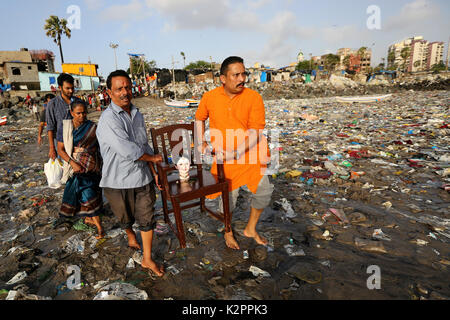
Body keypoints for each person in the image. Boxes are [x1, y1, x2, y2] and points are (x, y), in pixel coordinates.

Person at [195, 56, 274, 250]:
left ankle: (250, 229)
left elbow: (256, 132)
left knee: (263, 193)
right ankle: (228, 230)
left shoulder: (253, 97)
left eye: (244, 73)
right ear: (223, 78)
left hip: (251, 154)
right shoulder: (210, 97)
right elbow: (199, 118)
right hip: (224, 157)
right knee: (228, 199)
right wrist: (200, 142)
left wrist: (235, 153)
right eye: (236, 75)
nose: (242, 79)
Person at [96, 70, 165, 277]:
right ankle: (129, 233)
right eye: (119, 89)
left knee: (146, 217)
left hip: (142, 177)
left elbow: (144, 144)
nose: (125, 92)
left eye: (127, 87)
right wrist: (152, 159)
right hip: (117, 180)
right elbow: (126, 150)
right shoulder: (108, 119)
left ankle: (147, 258)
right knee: (125, 217)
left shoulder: (137, 114)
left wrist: (154, 171)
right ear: (109, 92)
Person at [56, 99, 104, 239]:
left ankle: (89, 217)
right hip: (76, 168)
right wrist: (72, 162)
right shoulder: (65, 128)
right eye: (78, 113)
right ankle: (100, 227)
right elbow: (61, 149)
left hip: (92, 166)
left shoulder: (92, 127)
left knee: (91, 193)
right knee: (86, 193)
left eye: (84, 113)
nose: (82, 116)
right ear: (71, 113)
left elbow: (99, 145)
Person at [46, 73, 75, 160]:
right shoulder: (52, 104)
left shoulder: (78, 102)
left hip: (77, 143)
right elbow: (50, 127)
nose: (70, 91)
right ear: (60, 87)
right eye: (67, 88)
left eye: (72, 88)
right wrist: (52, 148)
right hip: (61, 145)